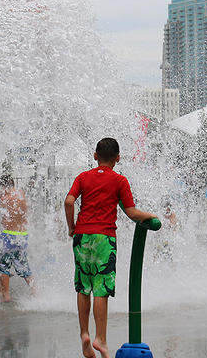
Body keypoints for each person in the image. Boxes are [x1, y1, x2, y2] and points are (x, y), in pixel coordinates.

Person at [64, 138, 156, 358]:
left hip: (82, 236)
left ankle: (84, 333)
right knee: (101, 290)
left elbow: (69, 201)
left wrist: (71, 228)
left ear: (95, 156)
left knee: (83, 287)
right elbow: (132, 213)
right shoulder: (119, 180)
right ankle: (100, 339)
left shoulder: (83, 177)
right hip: (104, 238)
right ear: (118, 158)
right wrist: (151, 215)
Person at [0, 175, 34, 302]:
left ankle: (6, 295)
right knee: (22, 264)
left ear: (3, 186)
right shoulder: (21, 194)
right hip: (22, 234)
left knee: (4, 265)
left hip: (8, 234)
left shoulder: (3, 198)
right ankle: (34, 291)